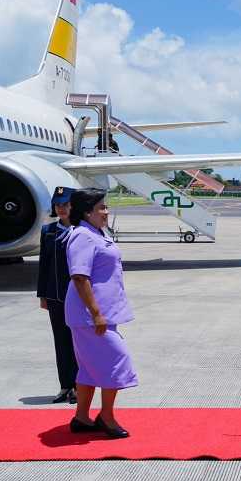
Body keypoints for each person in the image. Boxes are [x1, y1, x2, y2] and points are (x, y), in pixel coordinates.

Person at [64, 188, 138, 439]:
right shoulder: (83, 236)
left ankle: (81, 418)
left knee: (88, 368)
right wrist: (96, 312)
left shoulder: (95, 233)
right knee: (116, 361)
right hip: (91, 316)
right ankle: (106, 417)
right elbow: (79, 276)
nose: (106, 212)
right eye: (101, 208)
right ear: (87, 212)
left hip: (104, 313)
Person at [37, 186, 78, 404]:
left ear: (74, 206)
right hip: (55, 296)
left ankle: (80, 386)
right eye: (58, 204)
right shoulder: (49, 231)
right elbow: (44, 265)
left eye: (66, 204)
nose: (61, 208)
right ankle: (65, 386)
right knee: (61, 341)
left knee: (78, 342)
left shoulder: (82, 230)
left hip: (78, 297)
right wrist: (42, 294)